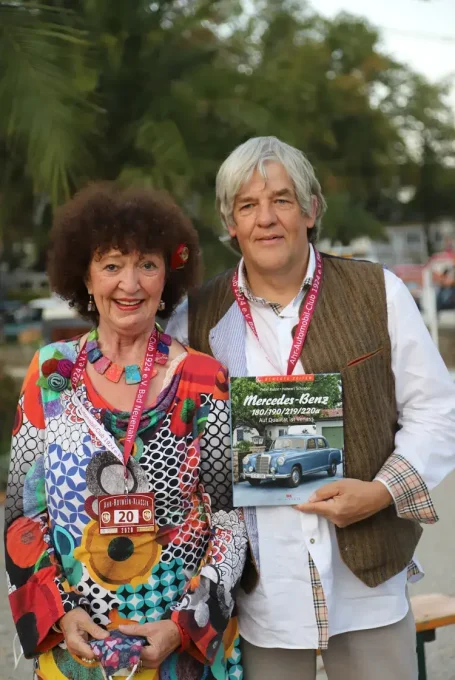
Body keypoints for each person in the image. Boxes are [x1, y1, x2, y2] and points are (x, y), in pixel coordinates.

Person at [167, 136, 455, 680]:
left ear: (311, 209)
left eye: (282, 199)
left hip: (366, 586)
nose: (266, 218)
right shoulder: (194, 318)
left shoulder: (378, 292)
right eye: (248, 205)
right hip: (261, 596)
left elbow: (437, 413)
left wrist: (381, 492)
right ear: (230, 223)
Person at [5, 183, 247, 679]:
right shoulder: (49, 374)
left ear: (167, 278)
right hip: (77, 651)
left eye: (147, 265)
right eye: (112, 265)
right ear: (86, 276)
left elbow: (231, 522)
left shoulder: (204, 379)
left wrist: (182, 626)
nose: (130, 284)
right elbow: (22, 516)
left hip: (181, 654)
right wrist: (60, 614)